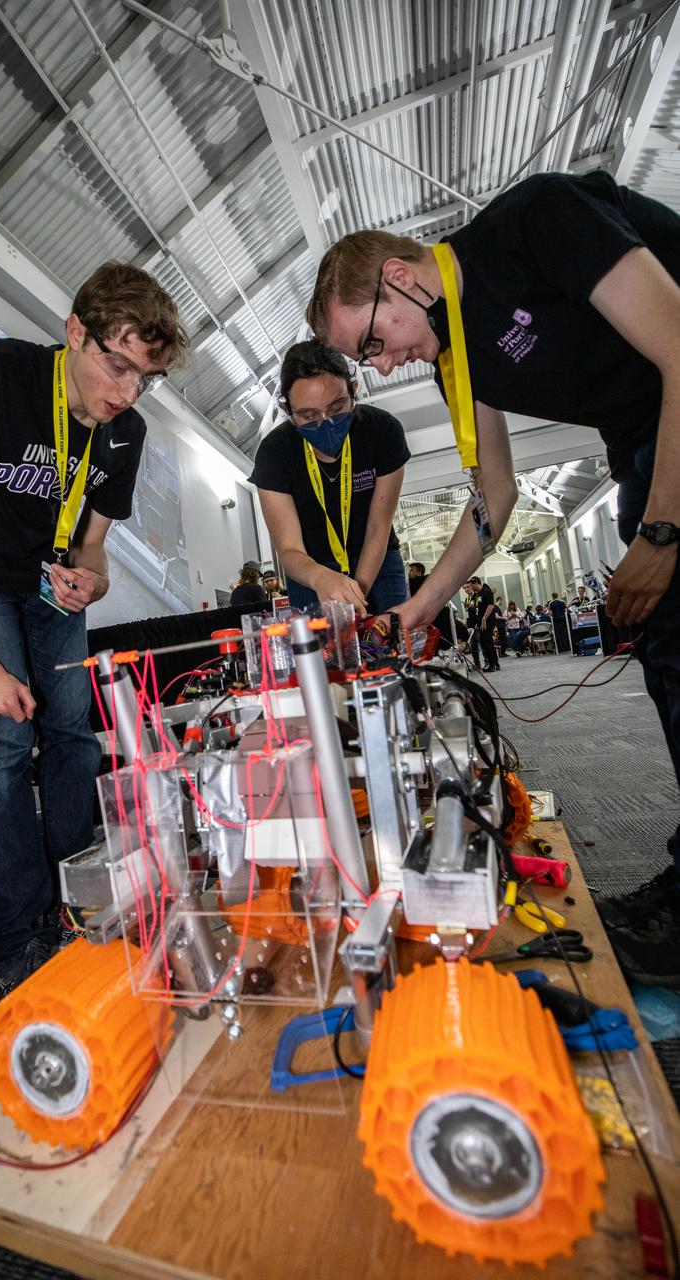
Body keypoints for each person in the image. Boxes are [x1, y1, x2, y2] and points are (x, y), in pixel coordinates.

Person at [307, 169, 680, 979]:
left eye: (371, 342)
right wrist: (413, 612)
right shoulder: (458, 359)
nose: (381, 366)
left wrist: (659, 529)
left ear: (400, 278)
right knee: (668, 664)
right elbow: (493, 499)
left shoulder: (537, 220)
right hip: (641, 440)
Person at [0, 262, 188, 1002]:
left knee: (72, 734)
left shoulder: (127, 430)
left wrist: (93, 579)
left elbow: (92, 546)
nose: (124, 392)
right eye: (115, 364)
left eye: (144, 377)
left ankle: (83, 903)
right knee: (0, 747)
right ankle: (16, 940)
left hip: (50, 585)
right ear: (74, 332)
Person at [249, 339, 409, 615]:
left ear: (353, 390)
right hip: (310, 573)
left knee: (388, 646)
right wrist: (321, 578)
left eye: (336, 408)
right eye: (309, 415)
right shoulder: (275, 453)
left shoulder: (382, 431)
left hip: (378, 563)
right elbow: (289, 550)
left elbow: (378, 528)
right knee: (321, 654)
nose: (324, 422)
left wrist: (356, 594)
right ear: (288, 411)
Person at [464, 576, 498, 672]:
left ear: (476, 583)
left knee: (485, 641)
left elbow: (491, 606)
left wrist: (484, 618)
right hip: (481, 621)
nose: (470, 588)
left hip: (488, 620)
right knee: (488, 642)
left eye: (471, 585)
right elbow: (480, 607)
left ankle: (492, 664)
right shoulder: (478, 593)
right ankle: (495, 663)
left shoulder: (487, 591)